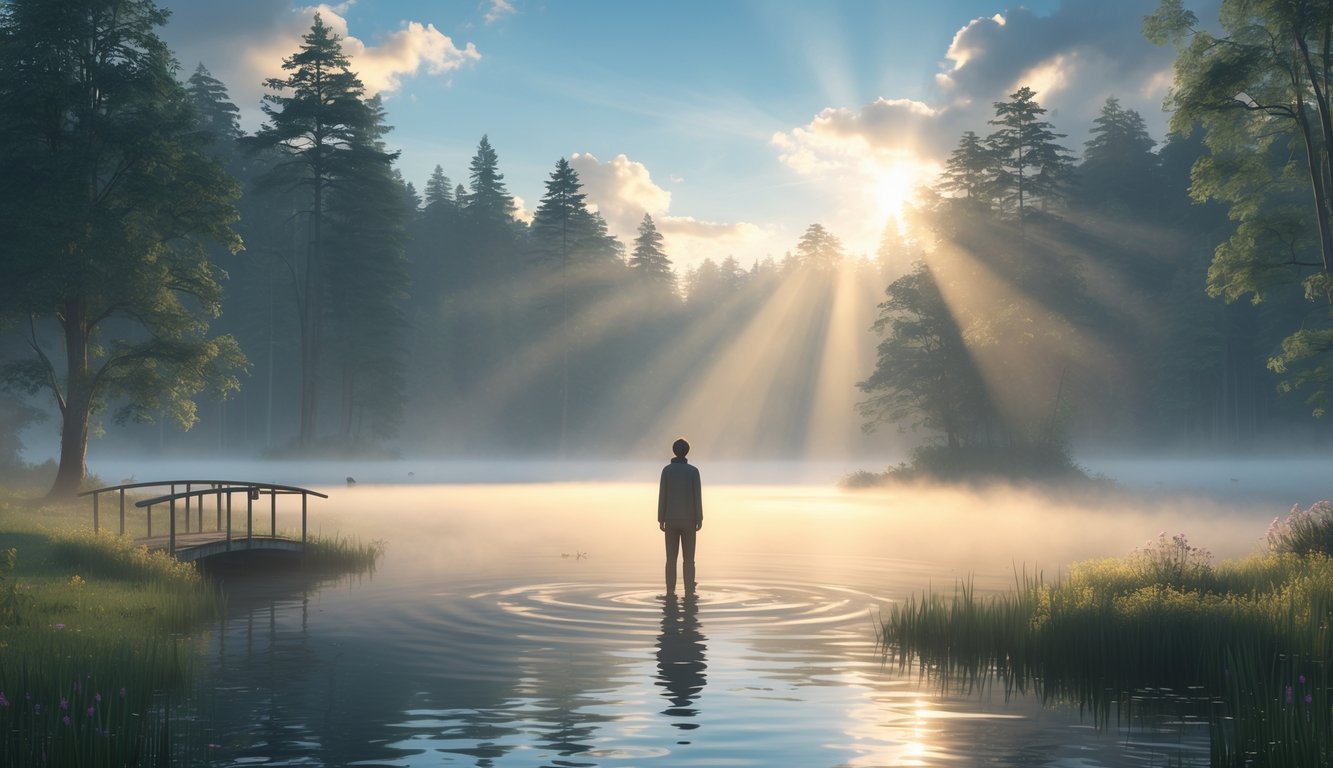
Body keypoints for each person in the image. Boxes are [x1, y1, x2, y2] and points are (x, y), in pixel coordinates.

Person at [658, 437, 702, 596]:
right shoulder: (693, 471)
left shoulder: (667, 471)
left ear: (674, 451)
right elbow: (697, 497)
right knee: (689, 559)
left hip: (670, 519)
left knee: (671, 558)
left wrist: (660, 518)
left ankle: (670, 591)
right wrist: (699, 518)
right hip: (689, 520)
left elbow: (662, 495)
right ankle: (689, 590)